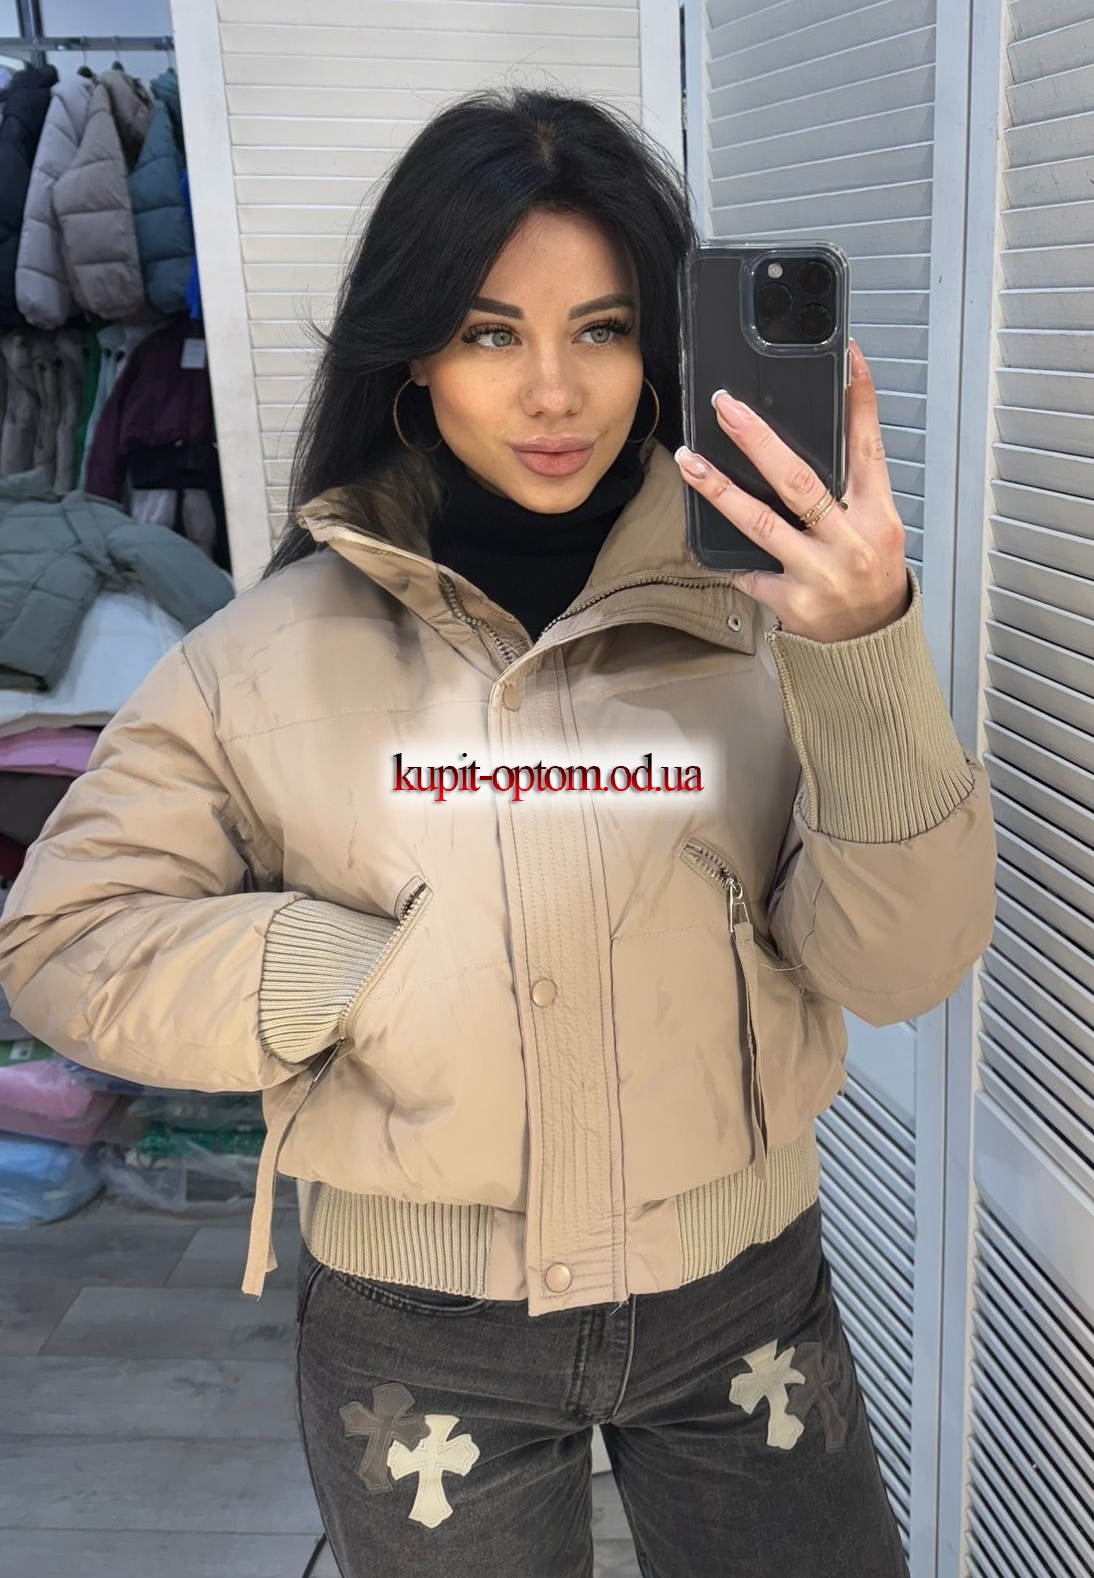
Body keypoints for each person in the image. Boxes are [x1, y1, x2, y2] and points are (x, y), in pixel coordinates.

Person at [0, 88, 995, 1576]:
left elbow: (901, 965)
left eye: (601, 329)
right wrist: (344, 973)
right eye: (487, 332)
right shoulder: (262, 655)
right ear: (411, 353)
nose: (553, 392)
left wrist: (862, 652)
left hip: (739, 1297)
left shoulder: (778, 629)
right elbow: (64, 940)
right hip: (421, 1336)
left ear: (657, 349)